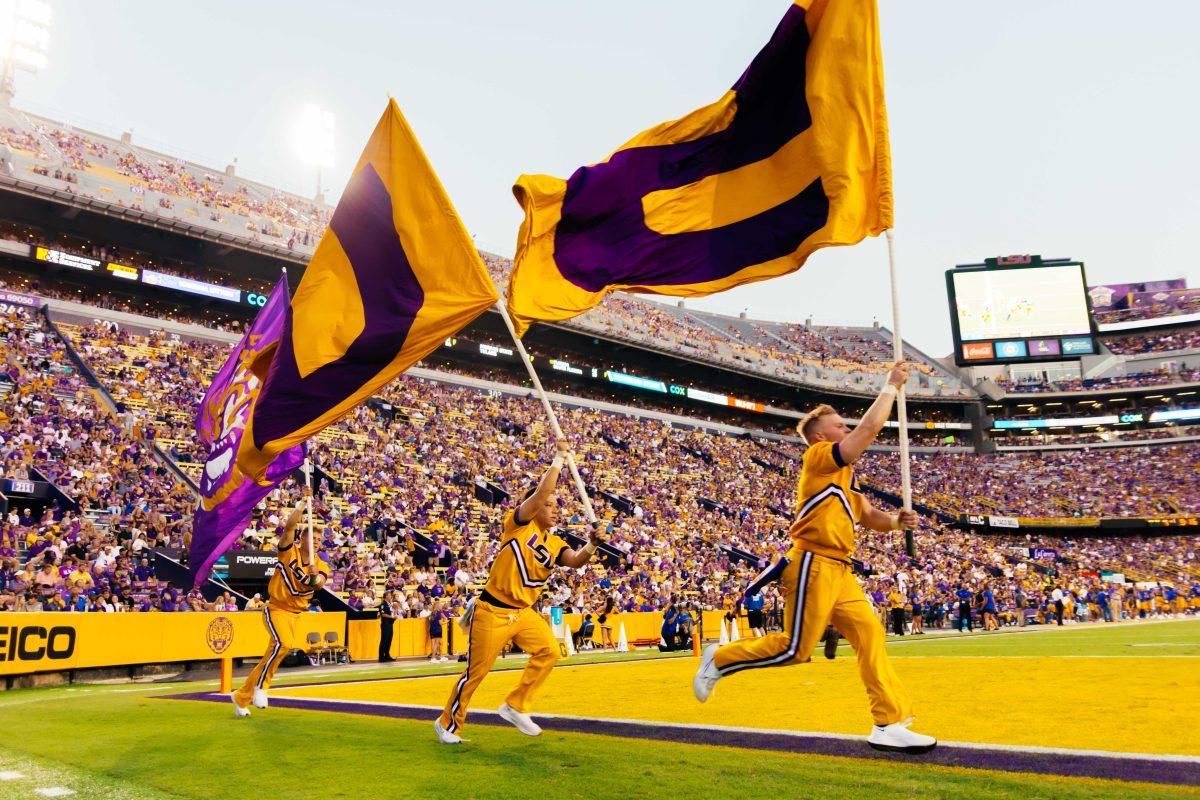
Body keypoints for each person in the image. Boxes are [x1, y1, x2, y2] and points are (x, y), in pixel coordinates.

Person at [692, 363, 937, 754]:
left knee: (870, 635)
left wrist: (896, 521)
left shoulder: (845, 478)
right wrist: (890, 387)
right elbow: (867, 433)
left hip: (841, 569)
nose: (846, 428)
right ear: (822, 436)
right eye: (840, 425)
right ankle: (720, 658)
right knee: (795, 649)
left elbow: (870, 516)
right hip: (813, 561)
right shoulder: (820, 457)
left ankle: (889, 722)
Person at [435, 440, 605, 744]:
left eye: (555, 507)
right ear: (535, 507)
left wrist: (592, 543)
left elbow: (577, 561)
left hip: (523, 613)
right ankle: (447, 724)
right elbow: (541, 494)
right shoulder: (517, 525)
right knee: (477, 673)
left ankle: (515, 705)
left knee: (550, 651)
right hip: (492, 611)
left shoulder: (555, 544)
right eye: (549, 506)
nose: (554, 510)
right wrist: (558, 459)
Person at [231, 488, 328, 717]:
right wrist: (303, 503)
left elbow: (319, 584)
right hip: (276, 608)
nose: (316, 541)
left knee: (272, 654)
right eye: (311, 537)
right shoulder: (289, 551)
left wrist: (314, 575)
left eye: (319, 539)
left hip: (295, 614)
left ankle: (241, 696)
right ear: (302, 539)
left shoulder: (321, 565)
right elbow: (289, 527)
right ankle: (262, 688)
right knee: (283, 644)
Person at [379, 590, 397, 663]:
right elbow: (383, 614)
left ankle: (387, 655)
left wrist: (395, 611)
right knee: (384, 640)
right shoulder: (383, 604)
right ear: (386, 596)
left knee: (389, 640)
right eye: (389, 595)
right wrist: (391, 617)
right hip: (385, 624)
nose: (391, 596)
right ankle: (381, 657)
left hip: (390, 623)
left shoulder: (390, 604)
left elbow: (392, 613)